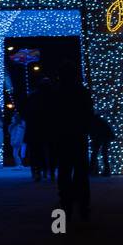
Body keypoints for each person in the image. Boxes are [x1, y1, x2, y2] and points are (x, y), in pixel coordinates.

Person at [54, 61, 93, 222]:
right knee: (81, 174)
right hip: (78, 137)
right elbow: (88, 114)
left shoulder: (57, 93)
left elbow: (52, 117)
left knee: (64, 173)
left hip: (63, 138)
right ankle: (83, 208)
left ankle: (65, 208)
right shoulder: (81, 92)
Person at [24, 79, 55, 182]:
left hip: (35, 128)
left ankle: (37, 171)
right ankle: (49, 171)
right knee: (49, 150)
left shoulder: (33, 96)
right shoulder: (53, 96)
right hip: (49, 127)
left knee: (36, 151)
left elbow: (27, 112)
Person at [89, 109, 113, 176]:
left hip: (101, 137)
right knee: (100, 154)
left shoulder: (93, 121)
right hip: (103, 137)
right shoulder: (98, 120)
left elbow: (94, 131)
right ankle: (100, 171)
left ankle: (94, 171)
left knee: (96, 154)